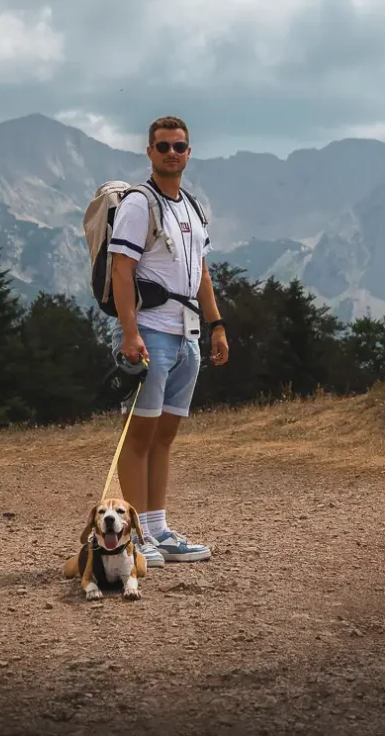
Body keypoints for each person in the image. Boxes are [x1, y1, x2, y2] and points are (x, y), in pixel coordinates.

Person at [108, 116, 229, 567]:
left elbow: (201, 273)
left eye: (179, 146)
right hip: (152, 334)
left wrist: (216, 325)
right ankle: (134, 535)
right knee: (138, 436)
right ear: (150, 152)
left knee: (165, 437)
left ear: (189, 152)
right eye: (163, 147)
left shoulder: (192, 208)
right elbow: (122, 270)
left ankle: (158, 529)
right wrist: (130, 332)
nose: (172, 153)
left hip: (188, 335)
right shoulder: (140, 204)